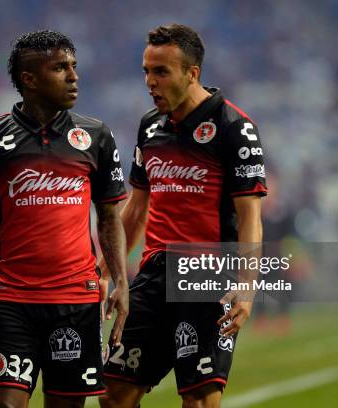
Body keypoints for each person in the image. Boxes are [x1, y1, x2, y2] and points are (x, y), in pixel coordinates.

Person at [0, 30, 129, 408]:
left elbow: (110, 217)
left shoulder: (96, 137)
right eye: (60, 68)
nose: (73, 76)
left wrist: (121, 282)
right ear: (29, 79)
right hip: (12, 301)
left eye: (73, 66)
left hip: (77, 302)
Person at [99, 24, 267, 408]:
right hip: (154, 273)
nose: (150, 82)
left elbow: (250, 217)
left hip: (207, 274)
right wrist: (104, 269)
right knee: (114, 395)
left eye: (161, 72)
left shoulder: (234, 129)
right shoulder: (150, 127)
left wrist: (246, 285)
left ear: (192, 73)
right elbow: (136, 208)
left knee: (198, 400)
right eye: (146, 71)